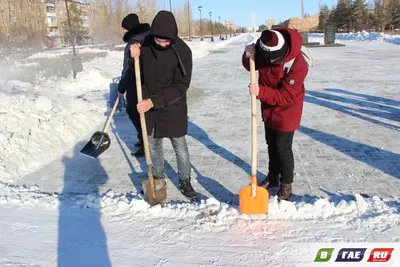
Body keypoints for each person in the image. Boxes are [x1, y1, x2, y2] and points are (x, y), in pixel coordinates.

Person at [129, 11, 197, 200]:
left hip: (172, 106)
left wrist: (152, 102)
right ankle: (157, 179)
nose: (162, 44)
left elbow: (181, 86)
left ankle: (185, 180)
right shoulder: (147, 43)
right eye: (158, 40)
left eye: (166, 41)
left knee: (180, 146)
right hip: (150, 107)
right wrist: (132, 54)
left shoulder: (183, 51)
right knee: (153, 145)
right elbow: (136, 67)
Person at [242, 29, 309, 200]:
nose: (271, 61)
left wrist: (260, 91)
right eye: (268, 58)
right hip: (269, 108)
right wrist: (247, 54)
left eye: (274, 59)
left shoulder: (297, 63)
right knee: (271, 143)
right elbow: (251, 64)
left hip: (288, 110)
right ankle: (273, 178)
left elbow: (286, 96)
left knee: (282, 147)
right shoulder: (264, 47)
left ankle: (286, 184)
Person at [117, 13, 150, 157]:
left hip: (135, 84)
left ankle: (145, 144)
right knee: (138, 113)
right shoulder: (145, 37)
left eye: (124, 28)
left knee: (134, 113)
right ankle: (142, 139)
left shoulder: (134, 42)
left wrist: (121, 87)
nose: (123, 31)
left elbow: (128, 69)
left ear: (130, 28)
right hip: (146, 82)